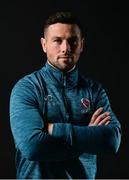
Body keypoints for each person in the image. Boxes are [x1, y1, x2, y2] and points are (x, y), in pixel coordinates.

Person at [9, 11, 121, 179]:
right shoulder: (27, 88)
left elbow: (112, 141)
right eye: (57, 40)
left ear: (81, 44)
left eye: (72, 41)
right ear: (44, 44)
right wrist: (87, 138)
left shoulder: (94, 90)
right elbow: (32, 146)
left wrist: (54, 129)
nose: (65, 48)